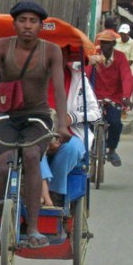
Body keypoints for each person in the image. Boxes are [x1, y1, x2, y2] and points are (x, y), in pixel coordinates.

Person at [0, 1, 70, 264]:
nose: (27, 26)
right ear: (14, 24)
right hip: (6, 116)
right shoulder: (1, 46)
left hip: (38, 117)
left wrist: (62, 126)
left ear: (40, 26)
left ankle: (33, 228)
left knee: (33, 155)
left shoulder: (52, 51)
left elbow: (58, 89)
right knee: (4, 164)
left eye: (33, 21)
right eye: (22, 20)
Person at [40, 61, 101, 205]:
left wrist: (72, 117)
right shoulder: (31, 75)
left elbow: (95, 112)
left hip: (71, 133)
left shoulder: (79, 79)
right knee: (33, 148)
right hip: (38, 132)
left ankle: (53, 193)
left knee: (71, 149)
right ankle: (42, 190)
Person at [91, 30, 133, 167]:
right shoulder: (95, 56)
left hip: (114, 97)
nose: (104, 46)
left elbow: (126, 77)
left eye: (107, 43)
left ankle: (112, 149)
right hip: (95, 96)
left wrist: (126, 96)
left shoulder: (120, 58)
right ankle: (88, 148)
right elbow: (85, 74)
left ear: (113, 44)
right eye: (102, 43)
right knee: (87, 123)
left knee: (115, 123)